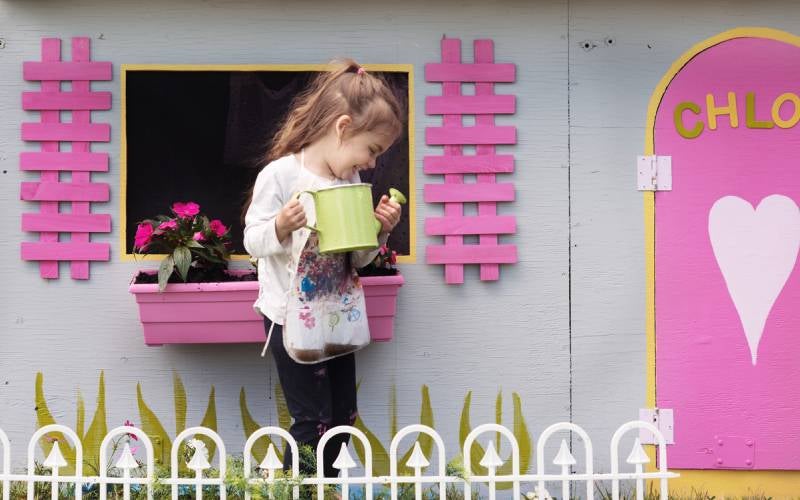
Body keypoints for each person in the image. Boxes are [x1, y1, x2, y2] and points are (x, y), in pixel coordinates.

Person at [243, 59, 404, 478]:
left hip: (336, 316)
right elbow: (252, 241)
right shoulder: (280, 175)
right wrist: (280, 225)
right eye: (372, 150)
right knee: (311, 422)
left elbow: (358, 259)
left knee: (342, 421)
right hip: (289, 317)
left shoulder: (349, 184)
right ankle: (296, 489)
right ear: (343, 127)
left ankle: (325, 488)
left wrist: (379, 232)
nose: (370, 164)